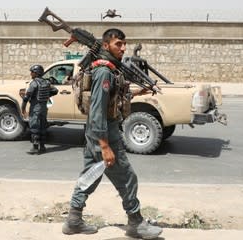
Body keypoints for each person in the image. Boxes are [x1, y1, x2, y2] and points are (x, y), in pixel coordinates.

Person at [62, 29, 162, 239]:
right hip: (104, 132)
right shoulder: (104, 72)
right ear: (106, 46)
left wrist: (138, 93)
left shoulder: (109, 69)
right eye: (118, 44)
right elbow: (98, 110)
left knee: (91, 174)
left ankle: (73, 220)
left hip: (96, 132)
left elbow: (112, 99)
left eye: (125, 43)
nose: (123, 48)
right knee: (127, 177)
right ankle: (136, 222)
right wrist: (105, 146)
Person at [21, 64, 58, 155]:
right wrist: (47, 95)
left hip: (35, 108)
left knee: (34, 127)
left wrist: (23, 108)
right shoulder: (46, 82)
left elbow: (26, 97)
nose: (31, 74)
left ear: (36, 73)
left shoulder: (34, 83)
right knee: (42, 126)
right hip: (44, 108)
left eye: (32, 72)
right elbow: (55, 90)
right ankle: (42, 146)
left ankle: (35, 147)